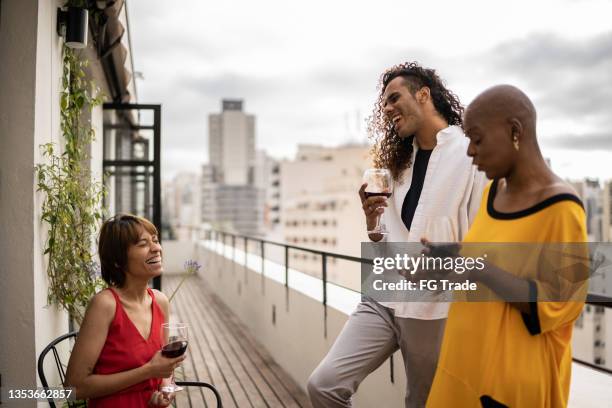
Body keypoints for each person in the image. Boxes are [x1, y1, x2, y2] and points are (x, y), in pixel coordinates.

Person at [307, 62, 487, 408]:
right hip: (383, 297)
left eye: (394, 98)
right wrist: (372, 222)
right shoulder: (395, 163)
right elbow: (384, 239)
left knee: (422, 403)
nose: (387, 108)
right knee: (324, 386)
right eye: (383, 103)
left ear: (424, 95)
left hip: (434, 308)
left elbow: (481, 241)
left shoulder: (469, 156)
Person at [426, 85, 587, 407]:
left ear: (515, 131)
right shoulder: (492, 193)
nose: (470, 151)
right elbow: (487, 264)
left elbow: (562, 303)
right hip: (461, 364)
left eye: (477, 138)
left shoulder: (563, 208)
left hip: (506, 384)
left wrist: (478, 268)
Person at [66, 214, 185, 407]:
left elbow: (164, 367)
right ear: (117, 260)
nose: (156, 248)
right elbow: (73, 388)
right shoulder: (105, 305)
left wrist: (164, 390)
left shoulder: (161, 301)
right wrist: (148, 371)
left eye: (155, 240)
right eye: (143, 244)